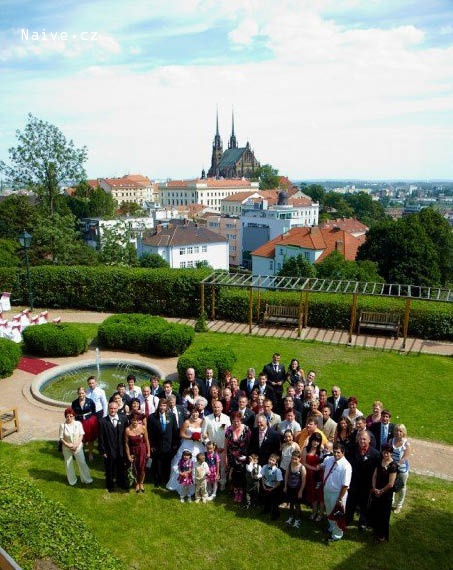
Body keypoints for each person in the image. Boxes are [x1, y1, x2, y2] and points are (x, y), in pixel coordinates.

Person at [345, 431, 380, 531]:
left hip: (366, 483)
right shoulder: (351, 450)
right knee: (351, 501)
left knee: (364, 504)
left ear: (369, 440)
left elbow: (376, 472)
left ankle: (363, 522)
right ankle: (348, 518)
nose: (362, 441)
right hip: (353, 482)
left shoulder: (375, 454)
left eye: (364, 439)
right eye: (360, 438)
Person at [166, 409, 206, 492]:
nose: (195, 414)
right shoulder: (187, 422)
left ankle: (198, 487)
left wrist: (201, 438)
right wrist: (191, 438)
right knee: (182, 463)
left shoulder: (202, 421)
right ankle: (180, 485)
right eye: (193, 412)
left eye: (197, 412)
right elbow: (181, 434)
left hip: (198, 446)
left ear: (199, 413)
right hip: (187, 445)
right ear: (191, 413)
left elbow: (205, 433)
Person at [321, 442, 352, 542]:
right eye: (334, 452)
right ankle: (331, 527)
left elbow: (345, 485)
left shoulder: (346, 466)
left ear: (343, 453)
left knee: (338, 515)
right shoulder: (330, 460)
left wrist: (340, 498)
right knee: (329, 511)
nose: (335, 454)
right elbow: (322, 465)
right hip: (327, 491)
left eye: (338, 452)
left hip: (337, 494)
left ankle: (337, 535)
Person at [368, 443, 398, 543]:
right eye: (384, 452)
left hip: (386, 494)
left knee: (384, 515)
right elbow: (374, 475)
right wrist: (374, 488)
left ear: (391, 454)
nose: (385, 455)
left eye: (388, 453)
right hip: (377, 491)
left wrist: (381, 491)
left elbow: (391, 484)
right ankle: (376, 531)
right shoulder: (380, 461)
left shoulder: (393, 466)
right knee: (376, 512)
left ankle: (381, 535)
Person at [147, 398, 178, 487]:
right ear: (158, 406)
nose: (162, 407)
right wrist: (152, 445)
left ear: (167, 406)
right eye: (161, 405)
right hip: (157, 445)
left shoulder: (171, 416)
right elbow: (149, 432)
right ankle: (157, 480)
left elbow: (175, 430)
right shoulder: (152, 417)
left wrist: (175, 444)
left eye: (164, 405)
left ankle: (166, 480)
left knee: (167, 463)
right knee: (158, 463)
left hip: (169, 445)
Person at [58, 407, 93, 486]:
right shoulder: (62, 426)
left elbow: (81, 435)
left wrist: (76, 445)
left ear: (74, 416)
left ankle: (86, 479)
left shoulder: (78, 424)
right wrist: (68, 445)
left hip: (78, 447)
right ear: (65, 417)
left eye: (71, 416)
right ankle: (72, 480)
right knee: (68, 464)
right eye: (67, 416)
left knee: (82, 462)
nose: (69, 418)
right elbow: (61, 438)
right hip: (67, 448)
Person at [98, 401, 128, 492]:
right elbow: (101, 437)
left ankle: (121, 483)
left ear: (118, 408)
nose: (113, 410)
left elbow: (126, 436)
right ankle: (110, 485)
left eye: (115, 408)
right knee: (109, 469)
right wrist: (103, 451)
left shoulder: (123, 419)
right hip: (109, 449)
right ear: (108, 409)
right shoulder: (103, 421)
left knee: (121, 468)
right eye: (111, 408)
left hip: (121, 449)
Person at [204, 401, 231, 490]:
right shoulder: (207, 418)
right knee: (210, 467)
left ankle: (222, 483)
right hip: (210, 449)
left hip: (222, 448)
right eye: (215, 407)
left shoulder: (226, 418)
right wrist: (210, 446)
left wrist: (223, 446)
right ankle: (210, 485)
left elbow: (229, 433)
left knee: (222, 467)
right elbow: (203, 435)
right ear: (212, 408)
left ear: (222, 408)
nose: (216, 409)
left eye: (218, 407)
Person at [224, 411, 251, 503]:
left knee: (242, 476)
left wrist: (248, 457)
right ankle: (236, 493)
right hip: (232, 457)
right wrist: (226, 457)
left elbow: (250, 443)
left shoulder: (246, 429)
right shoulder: (228, 429)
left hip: (243, 457)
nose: (236, 423)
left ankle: (242, 493)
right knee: (233, 476)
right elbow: (226, 444)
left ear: (241, 420)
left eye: (238, 421)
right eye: (234, 421)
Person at [125, 413, 150, 493]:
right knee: (134, 468)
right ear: (130, 420)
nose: (135, 422)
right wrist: (128, 455)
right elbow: (126, 444)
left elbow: (147, 441)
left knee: (142, 468)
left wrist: (148, 452)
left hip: (142, 450)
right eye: (133, 420)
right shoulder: (127, 430)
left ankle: (141, 483)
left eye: (136, 420)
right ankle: (136, 483)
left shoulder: (143, 428)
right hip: (133, 450)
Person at [71, 386, 98, 461]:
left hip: (89, 422)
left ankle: (90, 453)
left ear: (85, 393)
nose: (81, 395)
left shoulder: (90, 401)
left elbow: (94, 411)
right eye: (79, 393)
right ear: (77, 393)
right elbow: (73, 413)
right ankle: (79, 453)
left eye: (82, 393)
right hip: (79, 422)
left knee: (90, 439)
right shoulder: (74, 402)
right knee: (79, 438)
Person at [302, 432, 324, 521]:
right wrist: (313, 468)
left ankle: (321, 514)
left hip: (319, 476)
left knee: (320, 496)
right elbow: (303, 462)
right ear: (311, 440)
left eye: (318, 441)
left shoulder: (321, 450)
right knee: (312, 496)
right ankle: (314, 512)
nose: (316, 443)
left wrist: (318, 468)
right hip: (309, 475)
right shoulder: (305, 449)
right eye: (314, 441)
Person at [390, 423, 411, 513]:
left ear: (403, 432)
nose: (398, 433)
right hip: (392, 467)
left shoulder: (406, 444)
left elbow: (405, 457)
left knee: (402, 487)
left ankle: (399, 505)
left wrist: (397, 464)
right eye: (397, 431)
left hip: (402, 469)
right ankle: (391, 502)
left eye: (400, 431)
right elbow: (388, 452)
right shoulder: (391, 441)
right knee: (391, 484)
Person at [284, 450, 306, 529]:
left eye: (295, 459)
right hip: (290, 487)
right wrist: (285, 486)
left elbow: (303, 481)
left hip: (297, 489)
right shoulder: (289, 465)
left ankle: (297, 520)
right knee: (291, 504)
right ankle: (290, 517)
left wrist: (300, 491)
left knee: (297, 505)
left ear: (299, 459)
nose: (293, 460)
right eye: (292, 458)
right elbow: (286, 476)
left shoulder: (302, 468)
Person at [259, 453, 283, 520]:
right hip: (266, 486)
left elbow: (279, 482)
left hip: (274, 488)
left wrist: (272, 488)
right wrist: (263, 486)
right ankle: (266, 510)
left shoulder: (278, 471)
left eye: (273, 460)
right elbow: (263, 477)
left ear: (276, 462)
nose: (270, 461)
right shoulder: (264, 467)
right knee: (266, 499)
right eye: (270, 459)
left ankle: (275, 515)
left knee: (274, 502)